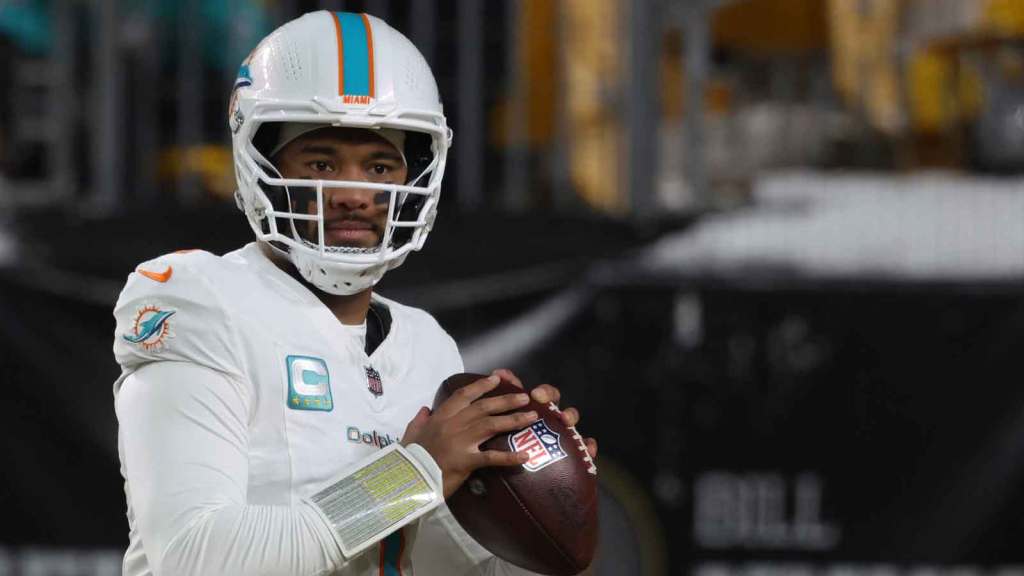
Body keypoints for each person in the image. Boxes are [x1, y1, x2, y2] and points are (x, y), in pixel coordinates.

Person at [112, 10, 597, 576]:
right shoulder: (196, 299)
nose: (353, 193)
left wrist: (545, 517)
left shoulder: (425, 344)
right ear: (260, 164)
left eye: (379, 166)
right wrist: (414, 472)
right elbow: (195, 558)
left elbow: (431, 563)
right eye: (321, 162)